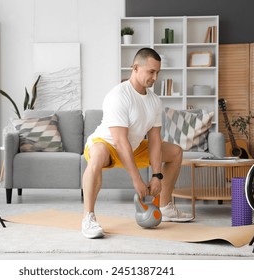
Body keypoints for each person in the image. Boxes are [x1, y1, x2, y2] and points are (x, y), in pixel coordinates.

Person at [81, 47, 193, 239]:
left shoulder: (154, 101)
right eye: (151, 72)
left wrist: (157, 175)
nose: (155, 77)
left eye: (158, 72)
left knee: (175, 152)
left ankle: (165, 207)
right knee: (98, 154)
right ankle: (88, 217)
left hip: (132, 147)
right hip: (107, 144)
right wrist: (137, 180)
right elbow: (119, 140)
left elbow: (155, 140)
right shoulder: (118, 95)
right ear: (135, 67)